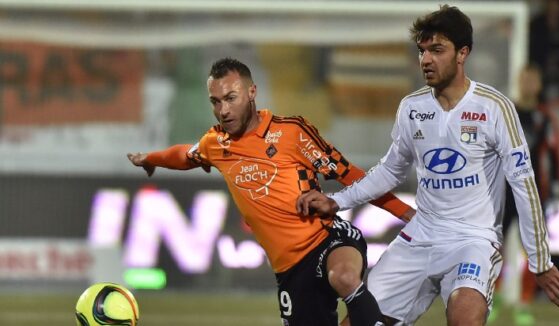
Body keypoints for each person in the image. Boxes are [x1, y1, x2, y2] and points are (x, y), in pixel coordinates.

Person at [297, 5, 559, 326]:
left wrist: (540, 260)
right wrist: (337, 201)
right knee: (358, 322)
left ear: (462, 53)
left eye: (437, 50)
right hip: (420, 236)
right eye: (422, 50)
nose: (426, 60)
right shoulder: (412, 107)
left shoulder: (494, 107)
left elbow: (523, 182)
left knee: (465, 319)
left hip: (472, 241)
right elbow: (390, 169)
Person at [127, 57, 415, 326]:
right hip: (290, 271)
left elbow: (352, 176)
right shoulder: (215, 143)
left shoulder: (291, 132)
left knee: (343, 277)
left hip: (327, 239)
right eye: (215, 102)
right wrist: (151, 159)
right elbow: (185, 155)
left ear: (252, 92)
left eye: (230, 98)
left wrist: (405, 213)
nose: (223, 110)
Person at [491, 64, 559, 326]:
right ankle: (493, 297)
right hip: (503, 192)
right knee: (493, 247)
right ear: (518, 82)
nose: (529, 85)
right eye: (525, 80)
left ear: (540, 85)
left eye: (533, 80)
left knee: (533, 251)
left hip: (533, 195)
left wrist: (556, 187)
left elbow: (554, 155)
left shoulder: (545, 119)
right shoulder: (506, 113)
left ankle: (523, 303)